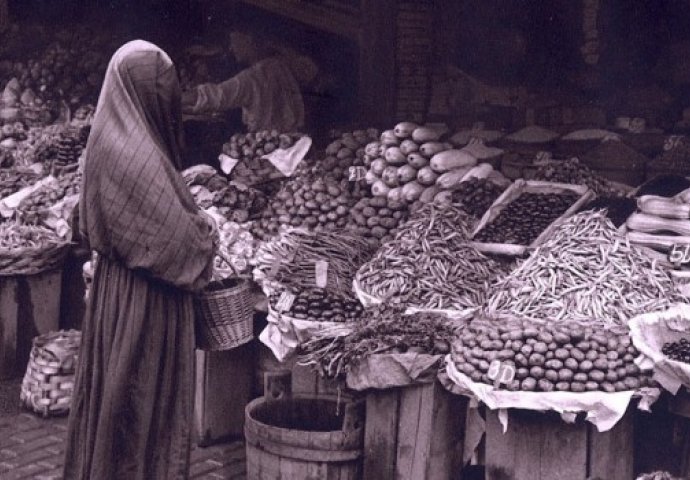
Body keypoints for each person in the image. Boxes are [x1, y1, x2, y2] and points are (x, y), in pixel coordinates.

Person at [63, 40, 217, 480]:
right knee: (141, 403)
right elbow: (175, 246)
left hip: (118, 296)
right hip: (146, 303)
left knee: (120, 400)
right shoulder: (135, 154)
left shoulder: (111, 134)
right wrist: (205, 231)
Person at [181, 26, 316, 133]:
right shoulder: (279, 63)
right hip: (295, 141)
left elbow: (217, 95)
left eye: (233, 40)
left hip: (270, 147)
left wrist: (175, 97)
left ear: (249, 38)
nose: (231, 48)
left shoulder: (253, 78)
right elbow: (310, 71)